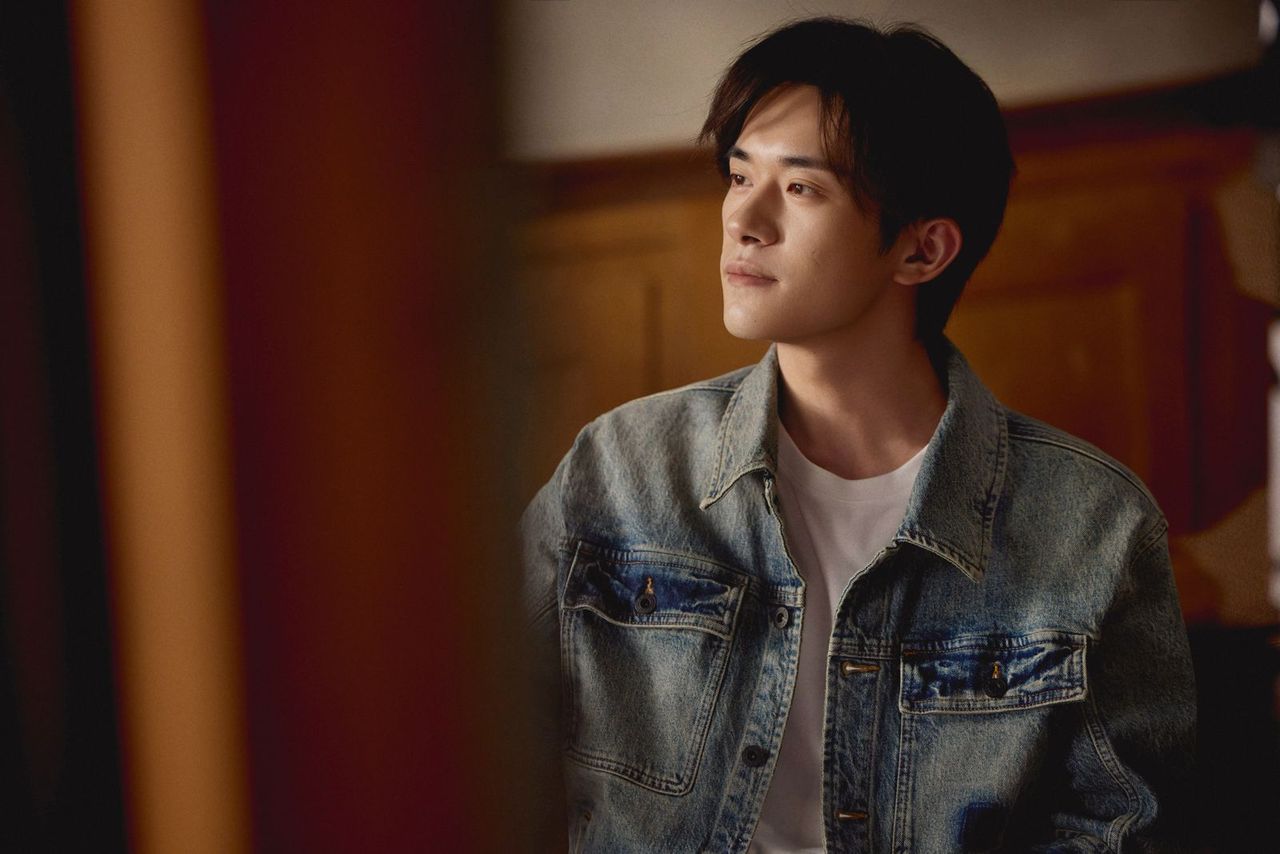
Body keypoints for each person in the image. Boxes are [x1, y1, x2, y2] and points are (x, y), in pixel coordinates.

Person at [520, 17, 1195, 854]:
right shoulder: (621, 466)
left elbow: (1122, 826)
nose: (744, 220)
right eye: (740, 176)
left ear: (922, 251)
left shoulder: (1093, 525)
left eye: (802, 189)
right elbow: (466, 730)